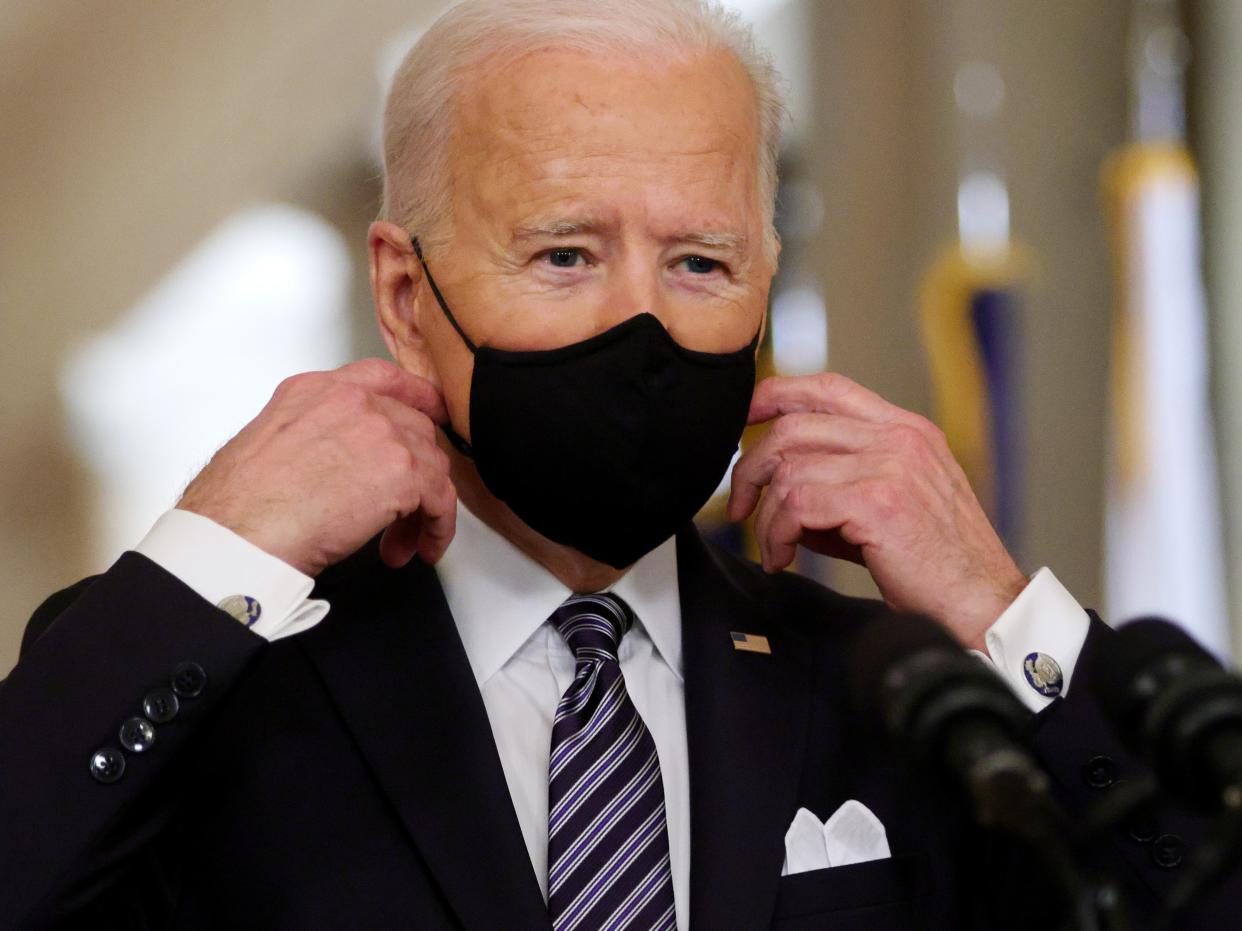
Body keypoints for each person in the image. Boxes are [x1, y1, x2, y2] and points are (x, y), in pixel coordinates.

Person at [0, 1, 1234, 928]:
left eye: (700, 263)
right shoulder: (217, 693)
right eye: (565, 255)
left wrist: (1001, 608)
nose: (638, 329)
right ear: (401, 291)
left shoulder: (898, 692)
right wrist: (217, 548)